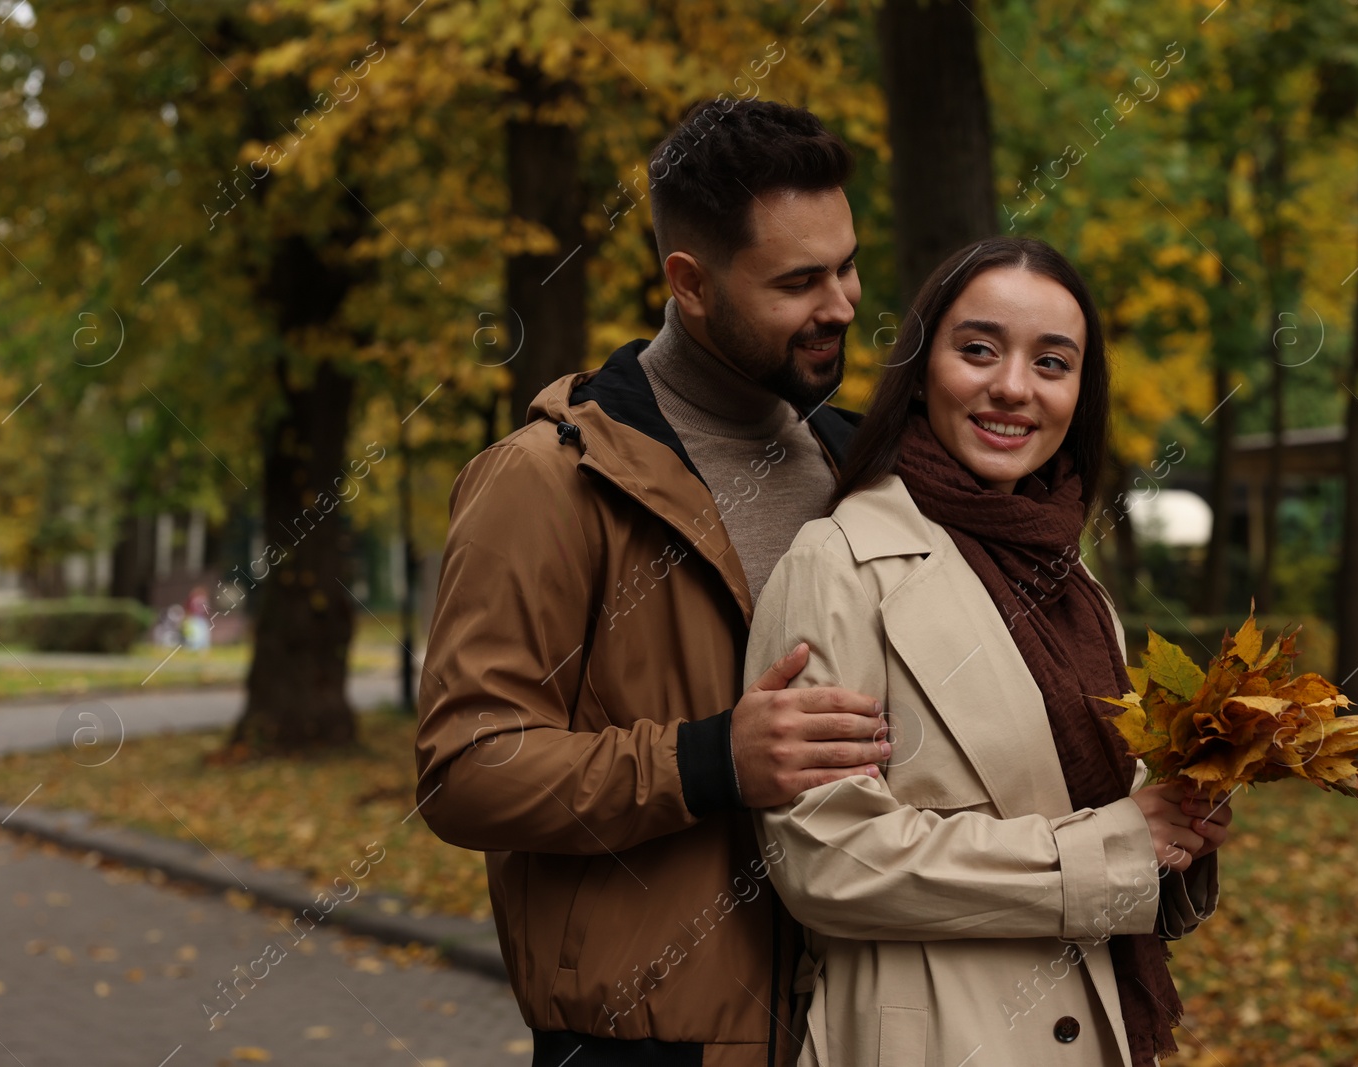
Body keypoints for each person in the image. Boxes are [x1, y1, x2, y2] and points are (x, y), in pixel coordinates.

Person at [415, 100, 893, 1066]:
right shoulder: (548, 480)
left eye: (845, 264)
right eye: (799, 280)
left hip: (862, 1032)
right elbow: (465, 769)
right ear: (691, 283)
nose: (842, 304)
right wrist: (709, 760)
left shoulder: (864, 467)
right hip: (648, 1046)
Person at [747, 237, 1231, 1066]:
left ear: (1080, 393)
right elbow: (825, 857)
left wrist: (1178, 832)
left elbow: (1106, 811)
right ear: (922, 365)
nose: (1012, 386)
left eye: (1052, 362)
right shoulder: (839, 564)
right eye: (978, 350)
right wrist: (1111, 849)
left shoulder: (1071, 580)